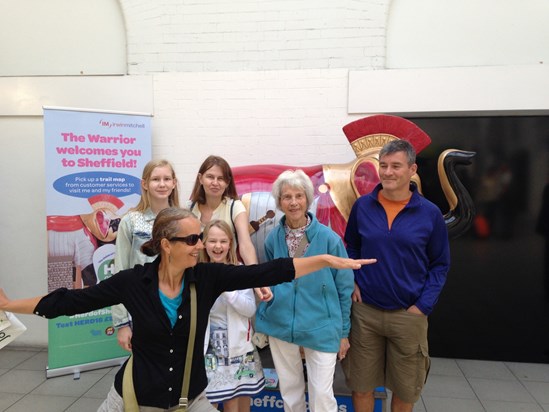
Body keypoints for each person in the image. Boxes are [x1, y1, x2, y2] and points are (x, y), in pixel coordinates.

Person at [0, 207, 376, 411]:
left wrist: (324, 260)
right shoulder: (132, 282)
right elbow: (67, 301)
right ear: (166, 244)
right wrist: (7, 304)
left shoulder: (207, 278)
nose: (200, 244)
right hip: (134, 397)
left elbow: (272, 270)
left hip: (190, 397)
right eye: (193, 238)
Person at [342, 139, 450, 412]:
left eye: (396, 166)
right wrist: (353, 278)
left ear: (412, 169)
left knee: (405, 390)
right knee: (362, 386)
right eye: (383, 165)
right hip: (365, 313)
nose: (388, 172)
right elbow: (351, 246)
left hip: (408, 315)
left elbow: (440, 264)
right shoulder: (363, 207)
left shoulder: (430, 214)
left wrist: (422, 306)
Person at [254, 169, 355, 412]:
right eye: (287, 197)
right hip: (281, 324)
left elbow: (344, 286)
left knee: (322, 395)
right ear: (279, 202)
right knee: (290, 392)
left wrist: (343, 333)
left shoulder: (329, 239)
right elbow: (270, 279)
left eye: (299, 196)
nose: (293, 202)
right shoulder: (272, 240)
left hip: (321, 325)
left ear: (308, 199)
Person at [112, 159, 180, 351]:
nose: (162, 184)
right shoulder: (130, 221)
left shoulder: (183, 220)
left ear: (174, 183)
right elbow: (120, 273)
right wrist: (122, 324)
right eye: (155, 179)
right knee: (145, 369)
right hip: (142, 307)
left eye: (167, 179)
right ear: (144, 184)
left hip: (178, 307)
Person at [188, 155, 271, 301]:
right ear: (200, 178)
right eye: (210, 177)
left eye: (220, 178)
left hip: (227, 277)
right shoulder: (189, 209)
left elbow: (245, 245)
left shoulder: (235, 207)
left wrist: (258, 279)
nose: (215, 183)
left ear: (227, 182)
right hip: (197, 279)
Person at [200, 220, 263, 411]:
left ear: (230, 243)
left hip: (238, 348)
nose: (217, 246)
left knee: (235, 400)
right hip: (208, 349)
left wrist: (227, 288)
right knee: (206, 400)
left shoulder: (240, 271)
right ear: (204, 243)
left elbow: (249, 309)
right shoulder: (195, 272)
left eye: (223, 241)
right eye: (212, 241)